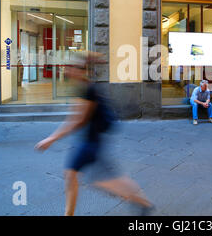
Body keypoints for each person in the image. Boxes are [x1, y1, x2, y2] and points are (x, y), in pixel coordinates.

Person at [35, 52, 154, 216]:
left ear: (80, 70)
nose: (66, 71)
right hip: (90, 140)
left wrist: (52, 138)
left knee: (103, 181)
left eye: (69, 68)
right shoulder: (83, 87)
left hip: (91, 142)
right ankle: (69, 214)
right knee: (72, 175)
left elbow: (78, 120)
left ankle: (142, 202)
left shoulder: (87, 90)